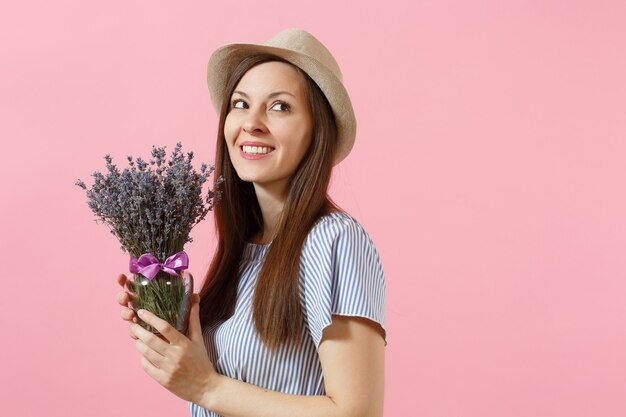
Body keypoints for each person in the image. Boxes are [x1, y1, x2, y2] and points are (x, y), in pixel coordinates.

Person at [116, 28, 386, 417]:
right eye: (240, 104)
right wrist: (166, 323)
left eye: (280, 107)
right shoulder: (244, 250)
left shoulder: (335, 241)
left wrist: (207, 387)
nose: (252, 123)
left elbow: (356, 412)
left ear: (317, 132)